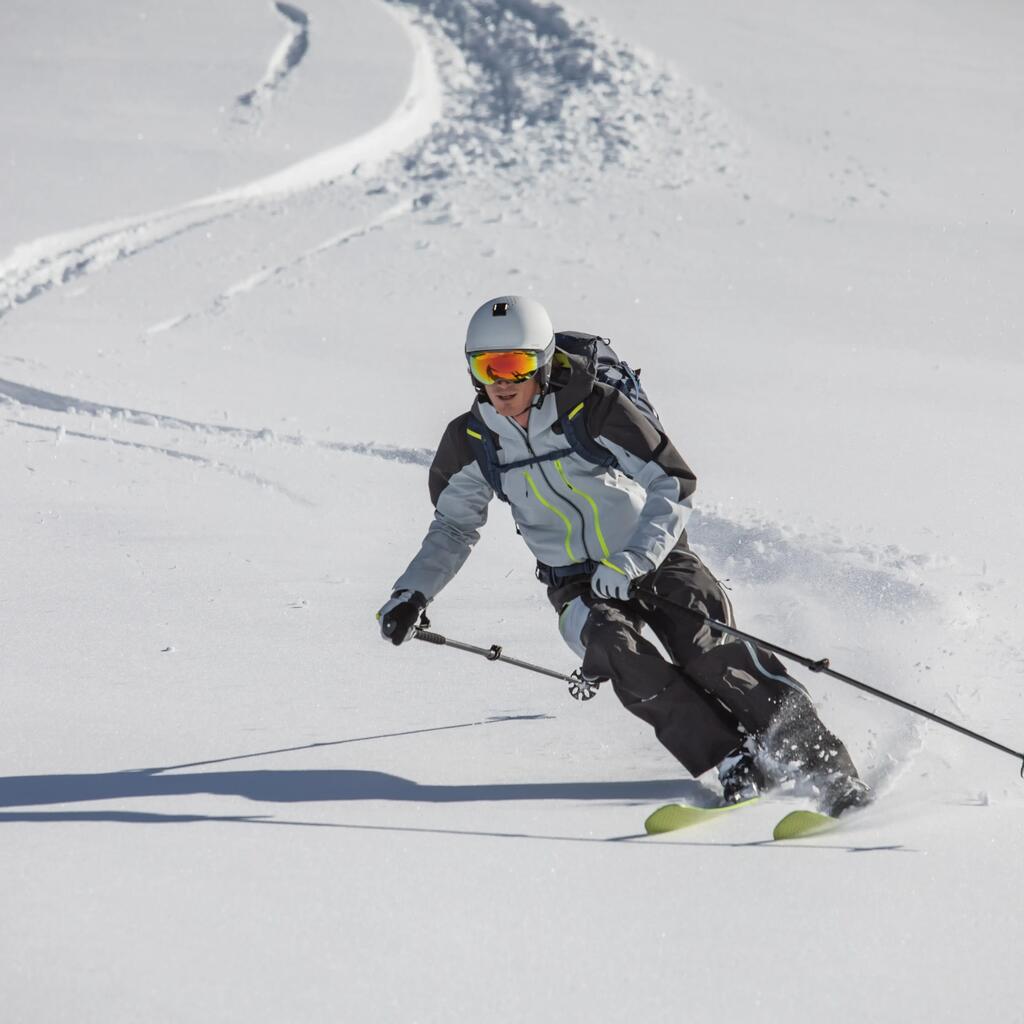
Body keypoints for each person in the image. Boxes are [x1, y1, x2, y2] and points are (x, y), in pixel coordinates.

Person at [377, 295, 872, 816]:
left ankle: (825, 768)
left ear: (542, 362)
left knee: (708, 650)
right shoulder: (473, 441)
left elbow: (672, 481)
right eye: (487, 366)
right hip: (574, 583)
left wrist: (635, 558)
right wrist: (412, 593)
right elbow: (454, 527)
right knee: (613, 647)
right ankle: (732, 759)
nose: (502, 381)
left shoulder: (592, 409)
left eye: (516, 364)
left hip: (653, 555)